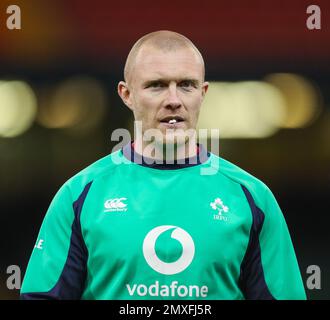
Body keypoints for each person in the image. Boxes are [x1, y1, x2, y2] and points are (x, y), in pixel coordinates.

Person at [20, 30, 306, 300]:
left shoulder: (252, 198)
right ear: (126, 94)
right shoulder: (79, 195)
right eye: (156, 86)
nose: (173, 100)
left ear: (203, 93)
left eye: (186, 85)